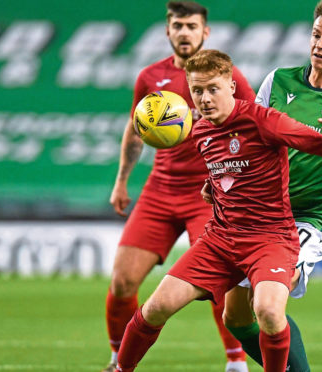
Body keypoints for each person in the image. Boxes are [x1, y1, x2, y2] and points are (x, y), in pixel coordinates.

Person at [114, 49, 322, 372]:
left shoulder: (263, 120)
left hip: (270, 238)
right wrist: (213, 186)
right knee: (156, 307)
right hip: (220, 239)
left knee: (269, 312)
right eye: (197, 90)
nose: (204, 99)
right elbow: (230, 169)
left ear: (231, 86)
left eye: (212, 88)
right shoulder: (199, 130)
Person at [219, 1, 322, 370]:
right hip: (260, 211)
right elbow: (248, 137)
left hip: (308, 218)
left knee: (269, 303)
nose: (319, 44)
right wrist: (223, 176)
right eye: (316, 35)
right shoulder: (278, 81)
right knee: (235, 319)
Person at [103, 2, 255, 372]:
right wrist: (122, 180)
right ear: (167, 31)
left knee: (221, 281)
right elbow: (136, 129)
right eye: (178, 25)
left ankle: (236, 364)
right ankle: (117, 359)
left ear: (206, 32)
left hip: (209, 193)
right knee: (122, 282)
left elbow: (254, 124)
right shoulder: (150, 77)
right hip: (159, 190)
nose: (184, 32)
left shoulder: (227, 75)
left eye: (191, 25)